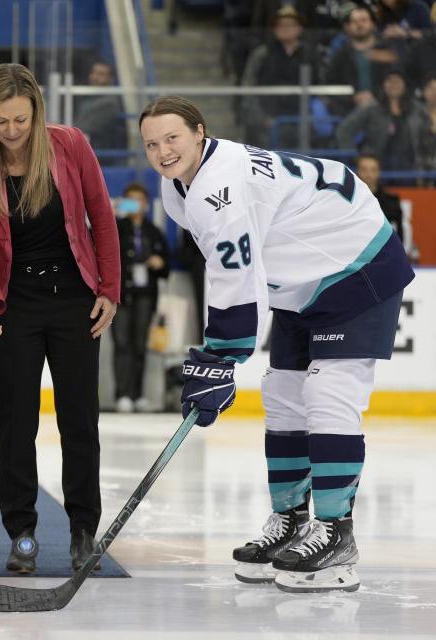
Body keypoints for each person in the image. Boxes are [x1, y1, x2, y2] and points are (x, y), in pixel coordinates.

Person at [138, 95, 414, 593]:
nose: (162, 151)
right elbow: (239, 263)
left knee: (329, 396)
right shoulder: (177, 186)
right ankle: (290, 520)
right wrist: (221, 354)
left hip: (356, 265)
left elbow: (234, 268)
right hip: (300, 282)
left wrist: (221, 356)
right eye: (151, 143)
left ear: (200, 131)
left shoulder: (218, 185)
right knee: (284, 397)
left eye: (172, 138)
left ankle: (336, 534)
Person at [0, 63, 120, 574]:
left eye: (21, 121)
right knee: (17, 424)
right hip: (16, 302)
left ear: (36, 112)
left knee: (79, 421)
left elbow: (101, 214)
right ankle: (21, 532)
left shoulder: (70, 144)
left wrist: (109, 289)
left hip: (74, 299)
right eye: (1, 122)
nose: (11, 132)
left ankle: (82, 529)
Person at [111, 183, 169, 414]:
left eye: (140, 201)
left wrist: (159, 262)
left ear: (146, 204)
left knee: (139, 346)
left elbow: (165, 266)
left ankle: (138, 394)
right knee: (121, 345)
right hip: (121, 296)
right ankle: (122, 394)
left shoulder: (154, 231)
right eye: (131, 200)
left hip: (146, 295)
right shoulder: (116, 229)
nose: (136, 205)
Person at [240, 6, 321, 149]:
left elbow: (322, 86)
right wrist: (262, 118)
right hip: (269, 123)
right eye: (280, 25)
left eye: (290, 24)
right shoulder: (261, 54)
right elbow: (248, 88)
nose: (285, 28)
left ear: (300, 28)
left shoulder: (311, 54)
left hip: (303, 120)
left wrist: (312, 115)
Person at [335, 68, 421, 173]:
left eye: (397, 81)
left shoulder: (417, 109)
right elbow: (343, 131)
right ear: (383, 84)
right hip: (377, 169)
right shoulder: (371, 107)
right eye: (389, 81)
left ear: (405, 84)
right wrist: (355, 158)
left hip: (410, 168)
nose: (393, 84)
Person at [323, 5, 399, 118]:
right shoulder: (340, 56)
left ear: (373, 24)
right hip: (347, 112)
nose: (359, 25)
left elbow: (398, 80)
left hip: (385, 110)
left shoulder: (388, 52)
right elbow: (329, 86)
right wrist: (353, 98)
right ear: (348, 27)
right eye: (354, 22)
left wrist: (375, 96)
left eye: (363, 20)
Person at [73, 60, 128, 163]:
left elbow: (85, 126)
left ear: (110, 79)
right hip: (85, 150)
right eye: (94, 73)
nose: (95, 77)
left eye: (101, 74)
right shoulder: (85, 96)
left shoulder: (109, 102)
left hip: (100, 156)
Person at [355, 154, 405, 242]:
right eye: (364, 169)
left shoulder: (392, 202)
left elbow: (399, 234)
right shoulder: (349, 201)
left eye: (373, 170)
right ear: (357, 171)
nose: (368, 174)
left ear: (379, 172)